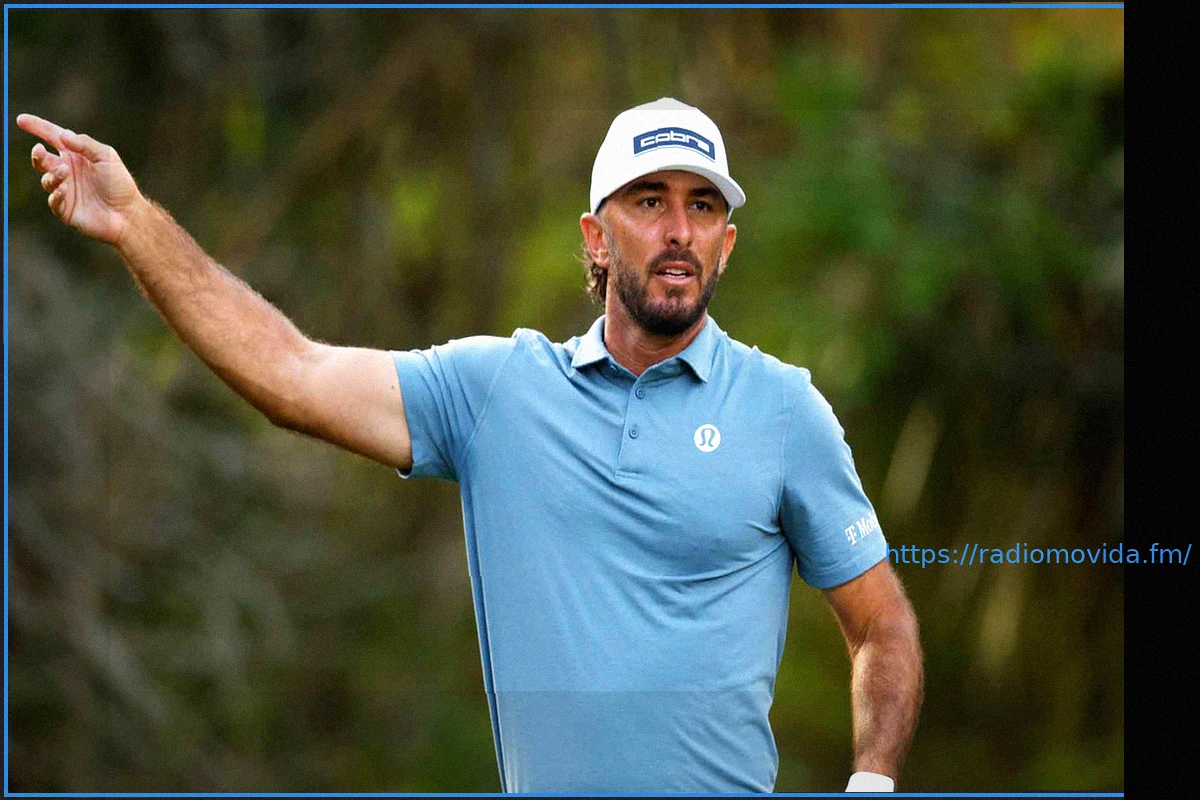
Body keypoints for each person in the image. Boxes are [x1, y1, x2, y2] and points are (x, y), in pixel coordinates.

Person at [18, 97, 923, 794]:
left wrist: (872, 783)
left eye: (702, 206)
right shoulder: (497, 392)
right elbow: (292, 373)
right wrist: (135, 223)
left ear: (726, 242)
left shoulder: (782, 410)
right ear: (596, 236)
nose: (678, 230)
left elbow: (881, 623)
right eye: (650, 201)